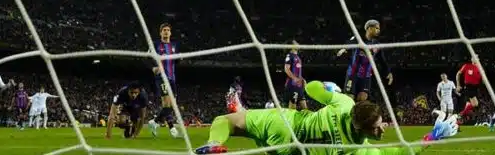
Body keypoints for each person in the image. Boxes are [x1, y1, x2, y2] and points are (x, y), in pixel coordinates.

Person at [195, 81, 458, 155]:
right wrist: (432, 136)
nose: (382, 130)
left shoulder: (345, 104)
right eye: (378, 128)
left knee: (226, 121)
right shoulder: (357, 149)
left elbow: (310, 89)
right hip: (290, 150)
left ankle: (212, 144)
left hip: (283, 123)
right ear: (363, 128)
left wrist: (329, 88)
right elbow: (400, 152)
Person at [336, 20, 393, 102]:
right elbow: (350, 42)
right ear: (369, 28)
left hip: (366, 76)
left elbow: (382, 60)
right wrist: (344, 48)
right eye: (376, 28)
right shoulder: (358, 38)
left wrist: (388, 72)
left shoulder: (377, 44)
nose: (379, 31)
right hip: (353, 74)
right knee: (349, 99)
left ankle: (358, 114)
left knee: (362, 99)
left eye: (379, 29)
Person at [148, 23, 181, 138]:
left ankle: (156, 122)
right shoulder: (156, 44)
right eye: (164, 30)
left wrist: (179, 59)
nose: (166, 32)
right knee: (167, 103)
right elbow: (148, 58)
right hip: (162, 77)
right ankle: (170, 128)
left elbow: (176, 61)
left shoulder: (175, 46)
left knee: (171, 105)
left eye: (168, 30)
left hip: (172, 78)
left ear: (170, 33)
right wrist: (153, 67)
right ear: (160, 32)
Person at [456, 56, 482, 121]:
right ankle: (460, 114)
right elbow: (458, 74)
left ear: (478, 59)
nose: (475, 59)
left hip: (476, 89)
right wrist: (458, 85)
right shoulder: (467, 66)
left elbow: (482, 80)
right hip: (468, 87)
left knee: (468, 107)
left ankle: (458, 120)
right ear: (471, 59)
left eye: (477, 57)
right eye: (473, 57)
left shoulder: (480, 68)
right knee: (475, 104)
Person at [283, 40, 307, 110]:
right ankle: (288, 121)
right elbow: (286, 69)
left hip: (299, 85)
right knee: (292, 108)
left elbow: (297, 72)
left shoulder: (297, 57)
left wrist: (302, 79)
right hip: (293, 85)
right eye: (296, 43)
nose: (298, 44)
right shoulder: (289, 56)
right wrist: (295, 78)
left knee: (305, 109)